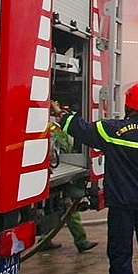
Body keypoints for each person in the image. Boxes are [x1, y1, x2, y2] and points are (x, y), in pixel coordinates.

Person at [53, 82, 138, 274]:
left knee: (120, 253)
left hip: (121, 205)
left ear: (129, 105)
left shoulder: (112, 130)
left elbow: (82, 129)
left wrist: (61, 114)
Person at [40, 106, 99, 253]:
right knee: (69, 208)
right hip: (55, 172)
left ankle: (44, 239)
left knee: (53, 208)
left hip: (51, 172)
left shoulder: (52, 129)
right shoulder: (55, 130)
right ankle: (80, 241)